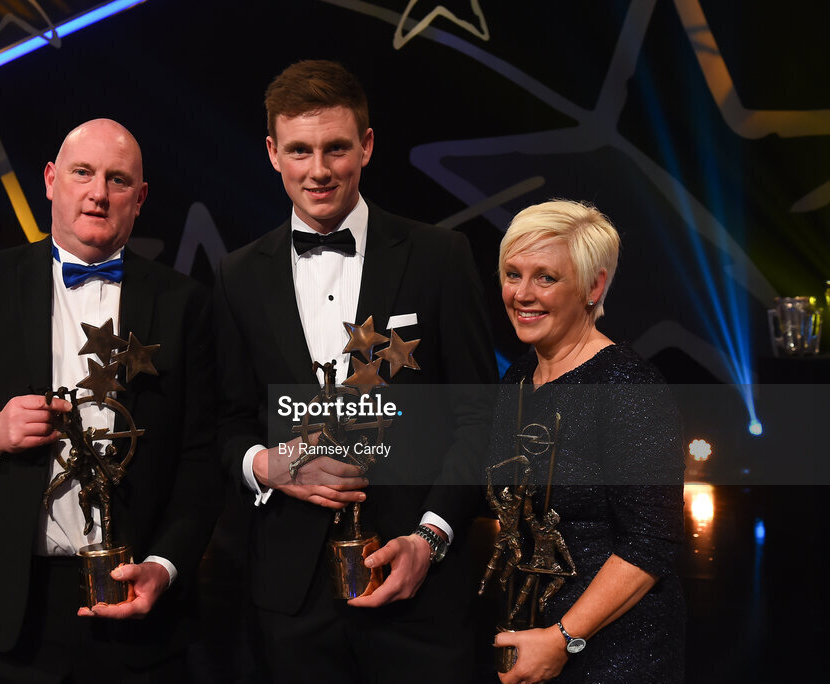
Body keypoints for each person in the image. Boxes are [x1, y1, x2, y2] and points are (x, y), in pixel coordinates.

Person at [0, 119, 220, 682]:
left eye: (118, 180)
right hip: (3, 611)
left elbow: (202, 459)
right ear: (50, 180)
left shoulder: (185, 303)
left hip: (139, 610)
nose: (98, 193)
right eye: (82, 173)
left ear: (139, 199)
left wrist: (165, 565)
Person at [214, 60, 498, 682]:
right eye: (300, 150)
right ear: (272, 153)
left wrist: (433, 538)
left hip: (418, 586)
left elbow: (480, 414)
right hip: (288, 604)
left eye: (336, 148)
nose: (318, 170)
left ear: (366, 146)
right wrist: (267, 465)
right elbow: (226, 422)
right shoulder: (237, 275)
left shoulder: (439, 257)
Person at [489, 199, 685, 683]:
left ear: (594, 286)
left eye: (546, 278)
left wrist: (562, 637)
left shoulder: (628, 386)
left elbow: (649, 545)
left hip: (614, 654)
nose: (523, 294)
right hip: (529, 639)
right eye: (513, 274)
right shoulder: (517, 377)